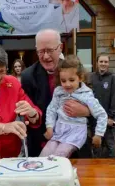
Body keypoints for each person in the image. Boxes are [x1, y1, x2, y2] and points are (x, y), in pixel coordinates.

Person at [21, 29, 90, 157]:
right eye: (41, 51)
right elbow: (29, 116)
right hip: (43, 147)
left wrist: (87, 111)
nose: (45, 56)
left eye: (50, 50)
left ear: (60, 47)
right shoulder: (28, 76)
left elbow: (98, 105)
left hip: (77, 146)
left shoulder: (77, 69)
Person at [40, 55, 107, 157]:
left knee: (59, 155)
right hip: (59, 129)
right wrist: (49, 127)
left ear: (80, 78)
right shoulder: (59, 92)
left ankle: (59, 172)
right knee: (45, 154)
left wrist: (98, 134)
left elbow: (101, 114)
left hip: (76, 132)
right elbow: (51, 109)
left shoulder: (86, 94)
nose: (67, 84)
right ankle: (43, 172)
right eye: (63, 81)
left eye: (71, 80)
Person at [88, 53, 115, 158]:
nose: (103, 64)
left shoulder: (113, 78)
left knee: (110, 147)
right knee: (95, 147)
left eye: (106, 62)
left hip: (108, 120)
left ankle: (113, 171)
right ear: (97, 63)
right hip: (94, 120)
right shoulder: (91, 77)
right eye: (101, 61)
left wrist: (112, 117)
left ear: (108, 64)